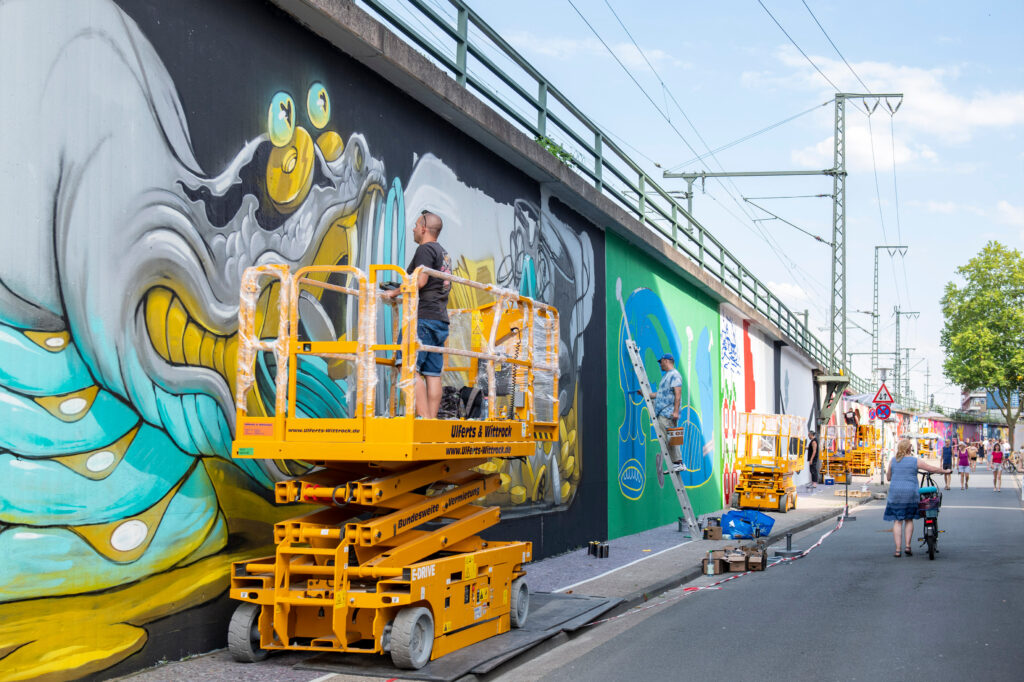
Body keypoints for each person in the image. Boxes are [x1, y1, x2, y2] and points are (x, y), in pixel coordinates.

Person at [385, 210, 452, 418]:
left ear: (424, 229)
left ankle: (422, 421)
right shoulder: (444, 253)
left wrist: (394, 293)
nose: (413, 229)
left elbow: (420, 281)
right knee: (432, 374)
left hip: (422, 319)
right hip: (440, 321)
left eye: (415, 225)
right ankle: (430, 425)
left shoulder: (425, 249)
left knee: (408, 366)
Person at [884, 438, 950, 557]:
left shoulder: (893, 461)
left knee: (897, 521)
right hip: (910, 493)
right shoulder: (915, 461)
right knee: (909, 519)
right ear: (909, 448)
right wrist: (944, 471)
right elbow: (931, 468)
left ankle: (898, 550)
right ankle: (908, 547)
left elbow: (888, 478)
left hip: (895, 494)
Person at [648, 353, 683, 472]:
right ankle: (676, 463)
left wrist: (676, 412)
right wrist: (646, 394)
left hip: (668, 413)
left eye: (661, 361)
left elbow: (678, 393)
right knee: (668, 438)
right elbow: (661, 395)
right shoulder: (667, 376)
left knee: (671, 438)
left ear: (667, 361)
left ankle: (678, 462)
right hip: (663, 413)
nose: (660, 364)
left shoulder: (674, 375)